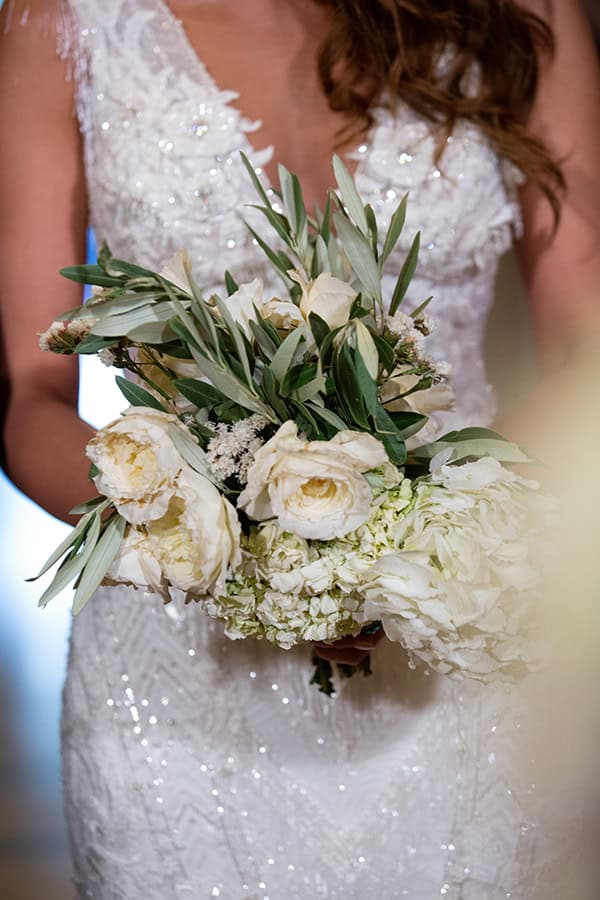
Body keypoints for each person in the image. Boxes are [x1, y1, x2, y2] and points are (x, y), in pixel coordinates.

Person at [1, 1, 599, 897]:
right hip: (178, 674)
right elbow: (30, 392)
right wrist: (207, 545)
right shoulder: (64, 21)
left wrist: (423, 538)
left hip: (460, 638)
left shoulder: (521, 13)